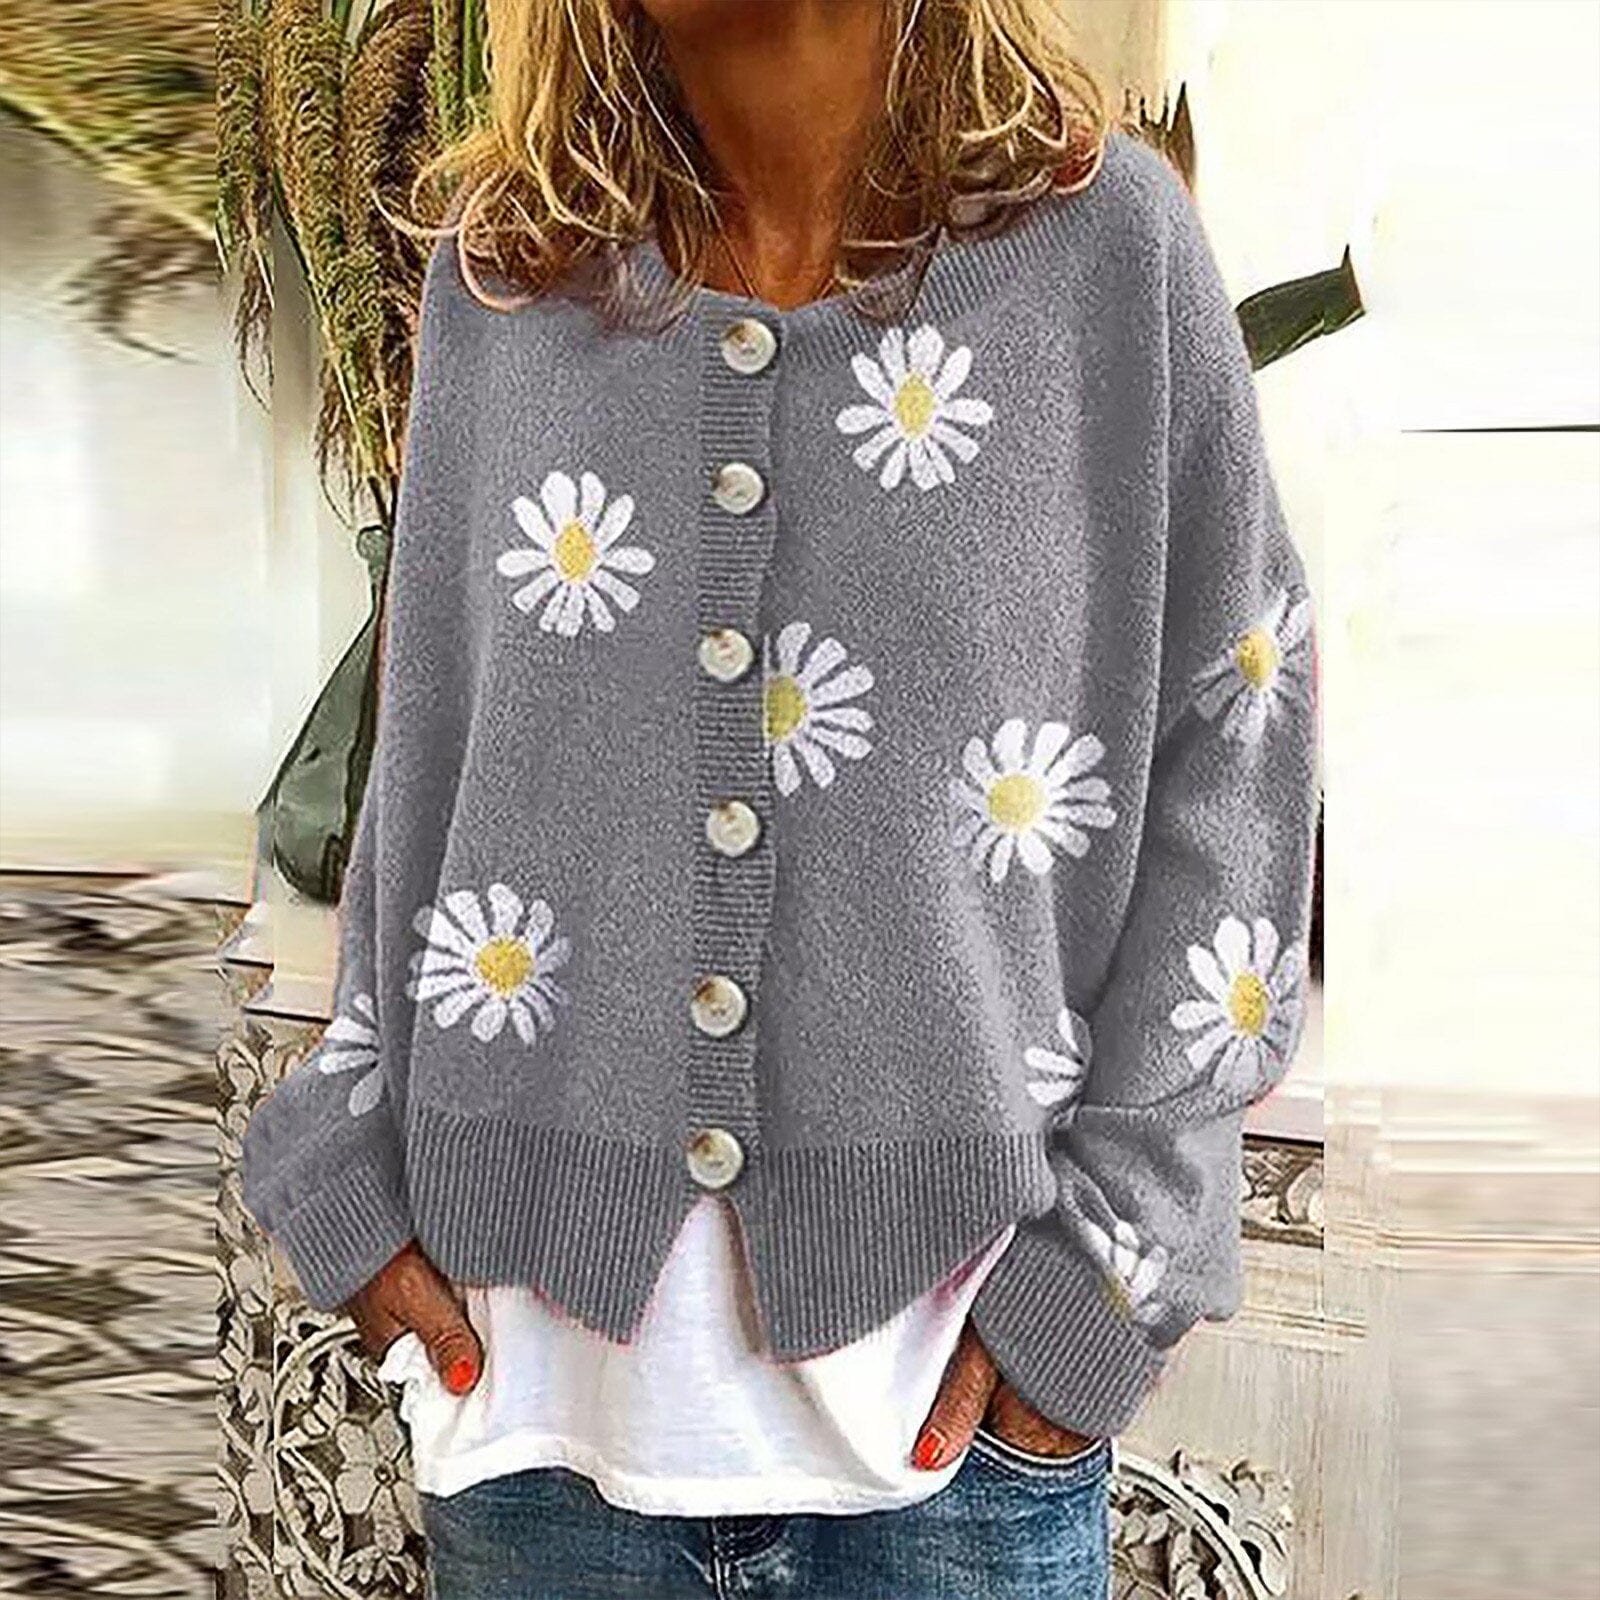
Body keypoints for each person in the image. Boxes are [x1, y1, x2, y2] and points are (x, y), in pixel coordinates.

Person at [240, 2, 1319, 1595]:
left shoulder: (1107, 259)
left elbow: (1241, 729)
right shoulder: (508, 276)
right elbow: (431, 753)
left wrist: (1111, 1266)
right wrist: (346, 1159)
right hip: (536, 1447)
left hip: (951, 1478)